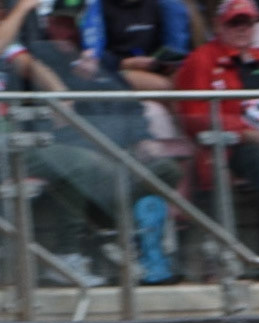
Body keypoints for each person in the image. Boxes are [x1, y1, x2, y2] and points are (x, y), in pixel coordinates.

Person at [5, 0, 184, 284]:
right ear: (47, 25)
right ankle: (116, 234)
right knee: (80, 162)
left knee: (165, 169)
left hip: (107, 149)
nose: (65, 31)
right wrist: (23, 8)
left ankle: (138, 244)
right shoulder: (40, 50)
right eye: (59, 23)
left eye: (71, 24)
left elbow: (126, 102)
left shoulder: (95, 59)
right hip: (43, 147)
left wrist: (141, 138)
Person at [173, 0, 259, 262]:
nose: (242, 29)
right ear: (219, 25)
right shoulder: (202, 59)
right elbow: (194, 116)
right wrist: (244, 133)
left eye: (247, 23)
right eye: (234, 23)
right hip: (231, 147)